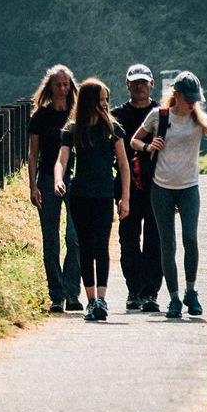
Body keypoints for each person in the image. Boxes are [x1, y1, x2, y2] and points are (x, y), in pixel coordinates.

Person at [129, 71, 207, 318]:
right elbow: (134, 141)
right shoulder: (159, 115)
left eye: (195, 99)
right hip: (161, 188)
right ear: (176, 95)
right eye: (188, 98)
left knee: (190, 238)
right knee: (167, 244)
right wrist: (148, 146)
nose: (192, 103)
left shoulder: (198, 119)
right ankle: (174, 298)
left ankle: (191, 291)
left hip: (189, 187)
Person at [54, 78, 132, 322]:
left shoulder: (113, 129)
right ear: (88, 101)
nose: (105, 104)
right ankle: (91, 301)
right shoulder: (72, 129)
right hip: (79, 195)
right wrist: (58, 180)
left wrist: (125, 198)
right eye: (100, 100)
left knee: (101, 246)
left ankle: (102, 299)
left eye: (106, 99)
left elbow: (124, 166)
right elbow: (61, 160)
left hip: (104, 194)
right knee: (85, 247)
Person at [27, 65, 84, 313]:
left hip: (74, 179)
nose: (62, 88)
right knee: (50, 239)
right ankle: (56, 295)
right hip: (47, 179)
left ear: (71, 86)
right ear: (50, 87)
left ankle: (72, 292)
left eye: (66, 84)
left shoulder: (78, 115)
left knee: (74, 237)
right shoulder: (40, 116)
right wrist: (33, 185)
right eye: (58, 84)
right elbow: (33, 153)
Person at [113, 64, 163, 313]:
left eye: (144, 82)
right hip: (127, 186)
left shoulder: (162, 113)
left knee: (156, 241)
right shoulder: (117, 115)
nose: (140, 86)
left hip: (159, 185)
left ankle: (151, 292)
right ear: (128, 85)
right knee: (129, 240)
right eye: (135, 82)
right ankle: (134, 290)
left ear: (152, 84)